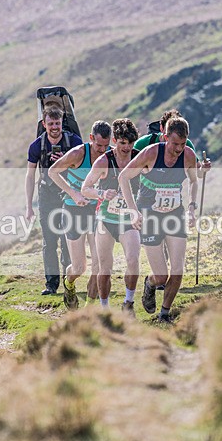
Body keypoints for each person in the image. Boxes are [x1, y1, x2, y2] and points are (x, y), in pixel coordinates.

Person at [118, 117, 199, 323]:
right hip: (150, 215)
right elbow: (123, 177)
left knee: (178, 270)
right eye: (174, 144)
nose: (178, 149)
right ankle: (150, 283)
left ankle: (164, 313)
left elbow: (194, 181)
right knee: (161, 276)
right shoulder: (151, 153)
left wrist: (191, 207)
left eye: (183, 144)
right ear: (165, 137)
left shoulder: (188, 155)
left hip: (174, 214)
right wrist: (133, 210)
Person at [49, 121, 112, 309]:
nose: (102, 150)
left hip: (96, 211)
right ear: (91, 138)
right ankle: (69, 283)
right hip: (73, 210)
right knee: (79, 267)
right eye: (99, 145)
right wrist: (73, 194)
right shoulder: (78, 154)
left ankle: (89, 309)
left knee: (99, 264)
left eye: (106, 145)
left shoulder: (110, 156)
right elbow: (52, 172)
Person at [81, 118, 141, 313]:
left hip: (128, 221)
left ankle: (128, 302)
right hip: (106, 220)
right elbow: (85, 188)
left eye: (130, 143)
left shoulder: (139, 158)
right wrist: (102, 193)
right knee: (105, 268)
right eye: (123, 143)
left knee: (133, 261)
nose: (127, 147)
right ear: (115, 141)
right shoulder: (104, 161)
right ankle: (105, 309)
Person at [25, 106, 83, 295]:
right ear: (44, 124)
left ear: (62, 123)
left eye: (57, 123)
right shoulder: (36, 146)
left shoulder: (74, 142)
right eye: (51, 124)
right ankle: (51, 284)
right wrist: (29, 207)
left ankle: (68, 281)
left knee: (67, 239)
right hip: (46, 194)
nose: (54, 127)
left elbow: (84, 168)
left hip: (68, 194)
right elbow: (30, 176)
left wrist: (66, 161)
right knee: (49, 240)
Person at [134, 109, 212, 178]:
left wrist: (203, 169)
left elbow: (199, 174)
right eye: (169, 130)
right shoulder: (143, 143)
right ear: (161, 128)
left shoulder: (186, 144)